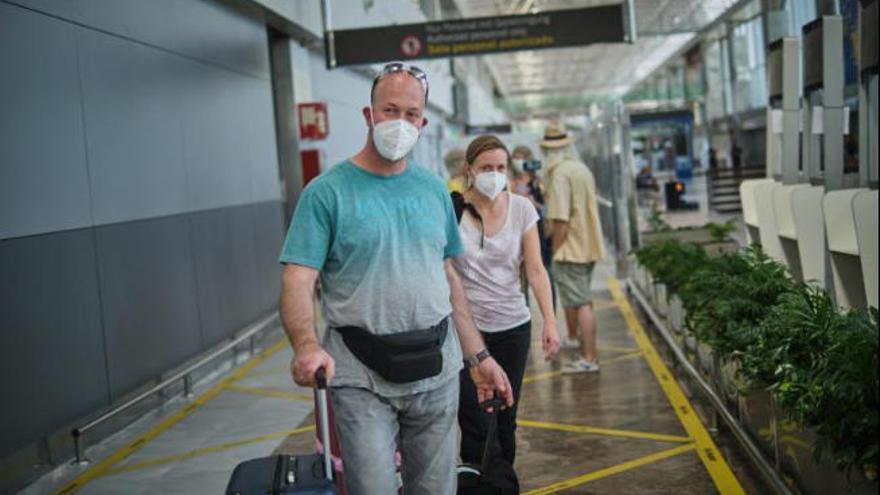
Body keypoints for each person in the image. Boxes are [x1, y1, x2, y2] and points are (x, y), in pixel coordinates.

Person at [278, 62, 513, 495]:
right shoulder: (326, 193)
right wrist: (306, 346)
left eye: (410, 114)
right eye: (390, 110)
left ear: (422, 123)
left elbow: (448, 278)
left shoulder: (433, 192)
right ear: (370, 115)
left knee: (436, 489)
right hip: (362, 375)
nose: (400, 122)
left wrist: (478, 358)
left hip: (436, 371)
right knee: (373, 488)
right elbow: (298, 278)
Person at [453, 135, 560, 471]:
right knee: (475, 419)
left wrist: (550, 321)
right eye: (486, 167)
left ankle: (502, 484)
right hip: (466, 332)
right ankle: (479, 481)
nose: (494, 174)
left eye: (500, 167)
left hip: (512, 327)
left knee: (505, 418)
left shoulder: (522, 208)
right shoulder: (452, 209)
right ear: (470, 169)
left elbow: (536, 269)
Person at [540, 122, 607, 373]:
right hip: (588, 245)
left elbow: (560, 219)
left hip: (571, 248)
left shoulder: (559, 174)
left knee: (581, 303)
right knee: (582, 300)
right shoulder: (580, 169)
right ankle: (585, 352)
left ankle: (589, 358)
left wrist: (556, 250)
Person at [510, 145, 556, 310]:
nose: (518, 161)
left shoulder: (539, 183)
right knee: (521, 277)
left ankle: (550, 312)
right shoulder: (510, 182)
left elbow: (549, 209)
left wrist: (532, 203)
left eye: (521, 157)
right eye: (515, 157)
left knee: (544, 272)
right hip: (517, 234)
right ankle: (525, 312)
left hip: (540, 232)